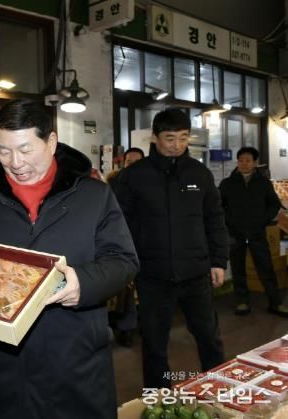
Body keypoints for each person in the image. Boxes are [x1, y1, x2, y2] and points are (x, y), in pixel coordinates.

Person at [0, 98, 139, 418]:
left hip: (76, 358)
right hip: (6, 366)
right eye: (5, 151)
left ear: (51, 142)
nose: (16, 162)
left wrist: (82, 282)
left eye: (25, 149)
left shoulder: (94, 196)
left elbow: (124, 259)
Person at [115, 108, 228, 389]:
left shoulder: (200, 174)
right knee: (154, 344)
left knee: (209, 337)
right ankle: (158, 396)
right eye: (169, 138)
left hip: (196, 273)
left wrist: (218, 261)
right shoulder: (134, 176)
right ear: (154, 138)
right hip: (153, 275)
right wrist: (127, 265)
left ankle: (218, 390)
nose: (177, 145)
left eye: (183, 138)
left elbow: (214, 219)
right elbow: (121, 225)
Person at [218, 146, 287, 317]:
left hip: (257, 232)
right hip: (235, 234)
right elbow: (219, 206)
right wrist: (229, 222)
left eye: (248, 160)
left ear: (255, 163)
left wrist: (264, 219)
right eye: (241, 160)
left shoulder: (263, 183)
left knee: (266, 268)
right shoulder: (227, 183)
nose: (244, 163)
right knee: (238, 268)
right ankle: (242, 302)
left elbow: (274, 204)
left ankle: (275, 303)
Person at [107, 147, 145, 347]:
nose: (133, 166)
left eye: (138, 162)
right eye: (130, 162)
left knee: (143, 289)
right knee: (125, 288)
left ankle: (140, 325)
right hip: (120, 243)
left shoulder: (152, 183)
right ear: (123, 163)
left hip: (145, 243)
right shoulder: (112, 184)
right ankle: (126, 328)